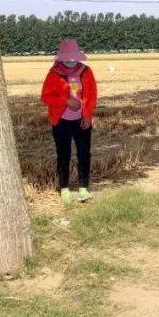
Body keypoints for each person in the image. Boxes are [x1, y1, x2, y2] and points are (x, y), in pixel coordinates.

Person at [40, 39, 97, 203]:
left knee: (84, 155)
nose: (71, 61)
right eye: (67, 58)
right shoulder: (54, 74)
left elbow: (92, 95)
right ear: (61, 58)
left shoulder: (86, 72)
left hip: (82, 121)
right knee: (63, 155)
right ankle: (64, 189)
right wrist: (66, 102)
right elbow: (46, 97)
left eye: (73, 58)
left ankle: (83, 189)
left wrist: (87, 114)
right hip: (61, 122)